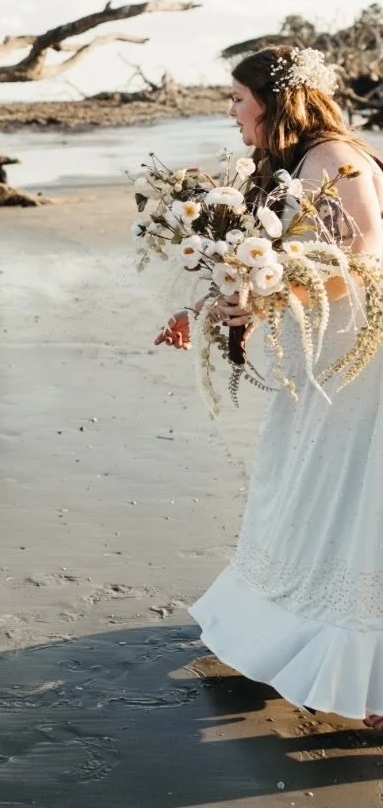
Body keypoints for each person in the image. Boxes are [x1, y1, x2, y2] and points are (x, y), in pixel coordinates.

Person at [157, 45, 383, 725]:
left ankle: (364, 666)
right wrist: (217, 304)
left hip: (358, 359)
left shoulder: (335, 156)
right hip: (323, 358)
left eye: (237, 98)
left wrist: (265, 294)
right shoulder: (296, 162)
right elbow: (282, 261)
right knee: (308, 485)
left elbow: (364, 254)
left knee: (349, 495)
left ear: (274, 101)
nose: (231, 111)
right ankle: (289, 626)